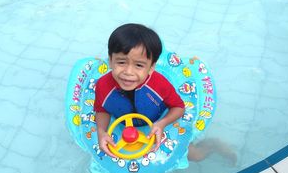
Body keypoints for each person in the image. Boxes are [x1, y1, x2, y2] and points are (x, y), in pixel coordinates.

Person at [94, 23, 237, 165]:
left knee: (195, 156)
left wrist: (162, 123)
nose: (128, 72)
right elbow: (102, 108)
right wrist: (101, 131)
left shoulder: (159, 85)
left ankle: (212, 144)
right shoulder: (102, 85)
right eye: (121, 62)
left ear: (151, 67)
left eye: (139, 65)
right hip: (125, 130)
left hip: (161, 123)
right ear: (110, 60)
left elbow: (179, 107)